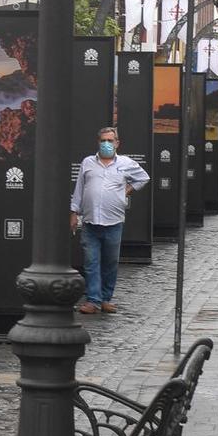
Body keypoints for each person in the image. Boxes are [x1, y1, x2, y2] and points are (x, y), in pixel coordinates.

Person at [70, 125, 149, 316]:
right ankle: (93, 300)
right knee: (91, 261)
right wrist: (73, 212)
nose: (106, 144)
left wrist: (125, 191)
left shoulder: (126, 163)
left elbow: (143, 178)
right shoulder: (88, 162)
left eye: (110, 140)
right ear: (98, 142)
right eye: (103, 140)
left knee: (110, 262)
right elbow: (79, 188)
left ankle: (105, 298)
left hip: (113, 221)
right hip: (90, 221)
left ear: (117, 143)